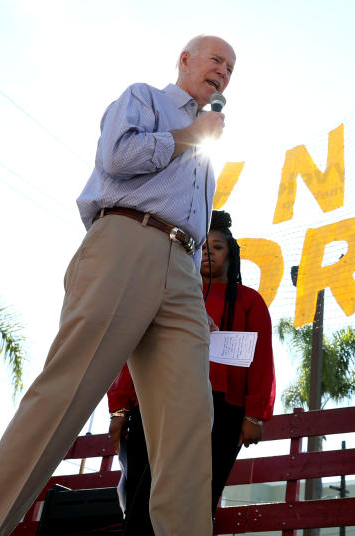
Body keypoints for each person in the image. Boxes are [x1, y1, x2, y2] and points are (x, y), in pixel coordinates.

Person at [0, 35, 235, 536]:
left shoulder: (205, 148)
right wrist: (192, 134)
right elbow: (119, 158)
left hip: (182, 273)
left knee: (191, 426)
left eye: (231, 68)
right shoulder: (145, 97)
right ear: (185, 60)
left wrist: (192, 289)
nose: (224, 71)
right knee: (66, 394)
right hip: (127, 240)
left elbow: (193, 219)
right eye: (217, 59)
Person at [108, 209, 276, 534]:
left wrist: (254, 415)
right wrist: (120, 405)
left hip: (221, 407)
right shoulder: (171, 292)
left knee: (199, 494)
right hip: (159, 401)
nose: (210, 254)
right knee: (145, 492)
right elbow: (139, 350)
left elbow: (261, 360)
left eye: (218, 247)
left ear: (232, 255)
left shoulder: (249, 301)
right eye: (205, 247)